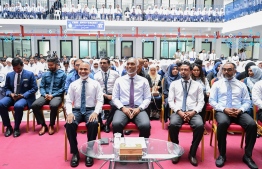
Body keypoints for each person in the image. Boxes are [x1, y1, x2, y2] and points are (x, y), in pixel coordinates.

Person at [209, 62, 258, 168]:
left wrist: (240, 109)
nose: (226, 71)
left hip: (238, 112)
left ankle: (248, 156)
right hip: (223, 111)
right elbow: (212, 100)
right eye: (224, 69)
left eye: (229, 69)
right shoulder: (217, 84)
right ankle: (222, 154)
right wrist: (224, 109)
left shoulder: (241, 85)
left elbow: (247, 101)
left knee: (252, 125)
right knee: (222, 123)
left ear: (235, 71)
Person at [65, 62, 103, 167]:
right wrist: (69, 113)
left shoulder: (96, 84)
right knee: (69, 123)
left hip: (90, 109)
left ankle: (89, 152)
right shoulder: (73, 84)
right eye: (80, 69)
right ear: (77, 70)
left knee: (94, 123)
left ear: (89, 70)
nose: (83, 71)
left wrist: (96, 112)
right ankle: (75, 152)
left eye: (85, 69)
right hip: (76, 110)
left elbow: (100, 100)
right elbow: (68, 101)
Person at [168, 61, 204, 166]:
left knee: (200, 126)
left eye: (186, 70)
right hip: (178, 111)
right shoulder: (174, 84)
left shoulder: (198, 85)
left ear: (191, 71)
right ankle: (176, 151)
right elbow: (170, 101)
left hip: (193, 111)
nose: (182, 72)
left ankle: (192, 153)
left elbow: (201, 102)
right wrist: (179, 111)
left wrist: (193, 112)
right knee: (173, 125)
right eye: (181, 70)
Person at [112, 58, 151, 138]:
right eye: (128, 64)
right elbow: (115, 98)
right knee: (116, 124)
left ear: (138, 67)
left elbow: (147, 98)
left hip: (139, 108)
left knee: (145, 125)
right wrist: (123, 108)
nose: (129, 66)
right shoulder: (119, 80)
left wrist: (139, 109)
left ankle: (142, 148)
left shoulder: (144, 81)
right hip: (123, 108)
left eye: (132, 64)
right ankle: (120, 147)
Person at [0, 58, 38, 137]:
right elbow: (6, 88)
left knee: (18, 106)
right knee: (1, 103)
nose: (17, 70)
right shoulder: (9, 75)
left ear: (22, 65)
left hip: (24, 97)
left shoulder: (29, 74)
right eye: (14, 68)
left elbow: (34, 88)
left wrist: (23, 95)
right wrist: (10, 94)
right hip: (12, 96)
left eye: (19, 68)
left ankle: (16, 127)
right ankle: (8, 127)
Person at [31, 57, 66, 135]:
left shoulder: (63, 74)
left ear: (57, 64)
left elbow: (63, 88)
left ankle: (51, 125)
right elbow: (42, 86)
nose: (49, 67)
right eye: (48, 65)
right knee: (34, 105)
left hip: (56, 95)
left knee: (53, 105)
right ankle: (43, 125)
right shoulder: (45, 74)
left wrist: (52, 95)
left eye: (51, 65)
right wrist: (45, 94)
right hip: (45, 95)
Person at [94, 58, 119, 133]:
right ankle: (100, 123)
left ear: (108, 64)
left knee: (115, 105)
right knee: (96, 105)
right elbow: (96, 89)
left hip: (112, 95)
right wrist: (105, 95)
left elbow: (118, 86)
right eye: (101, 63)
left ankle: (107, 123)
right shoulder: (96, 75)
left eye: (104, 63)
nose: (102, 64)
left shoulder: (115, 74)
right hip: (101, 95)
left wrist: (113, 95)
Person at [191, 63, 210, 135]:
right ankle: (198, 124)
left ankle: (202, 125)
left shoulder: (204, 79)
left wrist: (208, 92)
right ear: (192, 71)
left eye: (198, 70)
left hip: (202, 99)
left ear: (200, 71)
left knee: (203, 97)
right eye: (194, 70)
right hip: (192, 98)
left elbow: (208, 89)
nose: (196, 72)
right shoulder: (189, 79)